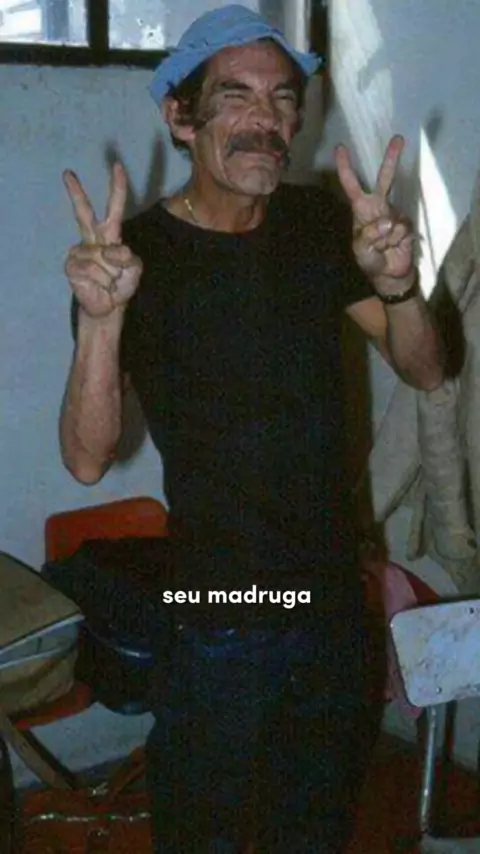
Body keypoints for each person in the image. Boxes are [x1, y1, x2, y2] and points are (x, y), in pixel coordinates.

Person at [59, 5, 444, 852]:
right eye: (235, 95)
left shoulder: (317, 225)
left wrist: (398, 287)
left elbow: (424, 369)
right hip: (217, 609)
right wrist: (101, 323)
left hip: (333, 601)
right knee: (209, 835)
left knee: (315, 829)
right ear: (181, 117)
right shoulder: (135, 259)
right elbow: (87, 459)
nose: (265, 119)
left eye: (281, 99)